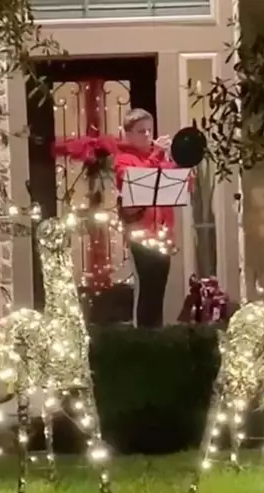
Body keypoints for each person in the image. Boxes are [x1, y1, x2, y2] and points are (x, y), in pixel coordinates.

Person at [112, 108, 178, 328]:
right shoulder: (123, 159)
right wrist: (157, 155)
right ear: (128, 134)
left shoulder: (157, 157)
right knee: (148, 289)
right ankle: (145, 338)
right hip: (141, 233)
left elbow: (182, 184)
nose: (148, 136)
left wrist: (174, 160)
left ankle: (156, 337)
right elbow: (136, 180)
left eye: (150, 130)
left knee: (159, 290)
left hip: (163, 233)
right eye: (141, 131)